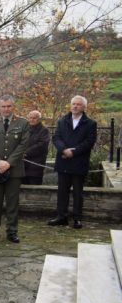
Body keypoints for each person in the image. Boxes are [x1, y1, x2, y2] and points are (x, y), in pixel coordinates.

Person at [0, 94, 30, 243]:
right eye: (3, 106)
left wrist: (8, 163)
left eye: (9, 106)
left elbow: (23, 144)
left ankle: (12, 231)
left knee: (12, 202)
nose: (6, 109)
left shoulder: (23, 123)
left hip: (14, 170)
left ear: (13, 106)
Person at [48, 95, 98, 229]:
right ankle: (61, 217)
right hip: (63, 161)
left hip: (79, 162)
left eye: (78, 104)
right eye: (73, 104)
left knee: (77, 193)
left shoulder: (90, 123)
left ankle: (77, 218)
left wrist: (73, 152)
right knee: (62, 192)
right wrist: (64, 149)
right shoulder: (62, 121)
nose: (75, 106)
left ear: (84, 107)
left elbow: (89, 142)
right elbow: (56, 137)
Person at [23, 110, 50, 185]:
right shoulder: (25, 129)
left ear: (39, 119)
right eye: (30, 118)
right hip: (23, 165)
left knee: (34, 189)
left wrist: (26, 153)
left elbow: (42, 145)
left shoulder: (44, 130)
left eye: (34, 118)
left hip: (36, 165)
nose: (32, 120)